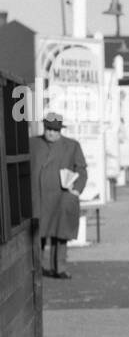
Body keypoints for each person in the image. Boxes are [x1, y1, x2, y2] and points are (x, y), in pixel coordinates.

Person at [30, 112, 87, 279]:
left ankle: (59, 268)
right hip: (38, 197)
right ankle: (37, 267)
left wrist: (76, 190)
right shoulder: (33, 143)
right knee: (37, 234)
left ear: (60, 130)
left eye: (55, 130)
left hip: (61, 197)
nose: (51, 133)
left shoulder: (72, 145)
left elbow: (81, 170)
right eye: (48, 129)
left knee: (60, 234)